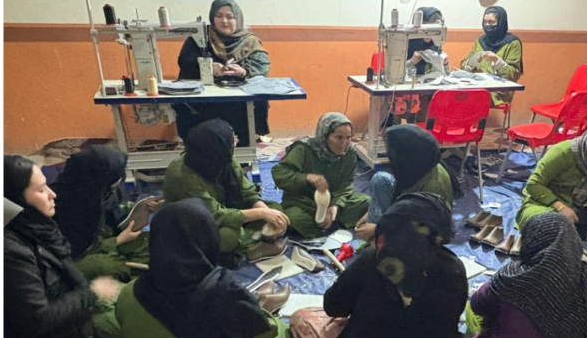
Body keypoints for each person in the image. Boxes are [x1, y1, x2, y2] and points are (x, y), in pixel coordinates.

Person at [116, 200, 295, 338]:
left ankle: (256, 308)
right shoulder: (223, 292)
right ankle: (262, 308)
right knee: (281, 334)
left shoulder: (130, 293)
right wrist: (260, 316)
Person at [306, 194, 469, 338]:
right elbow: (453, 316)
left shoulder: (372, 259)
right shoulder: (454, 268)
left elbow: (334, 307)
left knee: (304, 318)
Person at [3, 155, 123, 338]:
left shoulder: (32, 227)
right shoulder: (12, 252)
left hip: (68, 325)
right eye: (40, 190)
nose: (52, 194)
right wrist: (91, 294)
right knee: (134, 324)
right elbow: (36, 320)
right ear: (15, 200)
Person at [163, 119, 288, 264]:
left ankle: (251, 242)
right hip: (193, 224)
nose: (236, 139)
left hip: (226, 209)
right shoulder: (183, 175)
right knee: (229, 235)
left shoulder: (222, 158)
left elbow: (246, 191)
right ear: (214, 147)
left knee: (275, 209)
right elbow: (213, 215)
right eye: (231, 138)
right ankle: (249, 246)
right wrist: (261, 214)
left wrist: (266, 211)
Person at [517, 114, 587, 241]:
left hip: (580, 207)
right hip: (546, 204)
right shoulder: (564, 151)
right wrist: (560, 207)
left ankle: (574, 233)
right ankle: (584, 234)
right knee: (548, 221)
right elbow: (534, 184)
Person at [53, 145, 158, 281]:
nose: (119, 180)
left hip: (106, 237)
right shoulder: (66, 204)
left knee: (148, 242)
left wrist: (141, 208)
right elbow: (76, 247)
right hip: (76, 256)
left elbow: (116, 209)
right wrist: (118, 240)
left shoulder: (101, 189)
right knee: (112, 266)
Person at [176, 0, 272, 141]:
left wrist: (243, 71)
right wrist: (207, 68)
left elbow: (262, 65)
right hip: (205, 98)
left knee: (251, 106)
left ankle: (244, 147)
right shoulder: (199, 37)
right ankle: (199, 147)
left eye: (230, 17)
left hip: (238, 99)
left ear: (238, 19)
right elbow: (185, 62)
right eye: (219, 16)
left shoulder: (249, 40)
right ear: (212, 17)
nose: (224, 21)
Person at [272, 113, 369, 238]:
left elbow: (346, 183)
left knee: (366, 202)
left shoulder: (349, 153)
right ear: (325, 136)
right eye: (339, 137)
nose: (344, 143)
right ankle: (329, 224)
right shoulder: (304, 149)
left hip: (332, 198)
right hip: (302, 201)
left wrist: (334, 206)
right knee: (293, 218)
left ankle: (327, 220)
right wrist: (306, 178)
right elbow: (279, 174)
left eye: (348, 137)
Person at [355, 126, 454, 242]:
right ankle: (375, 240)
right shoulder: (418, 164)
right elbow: (401, 192)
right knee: (380, 180)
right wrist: (371, 211)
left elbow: (421, 230)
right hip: (408, 210)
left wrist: (378, 228)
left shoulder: (434, 187)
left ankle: (379, 243)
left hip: (421, 236)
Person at [461, 6, 523, 107]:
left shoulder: (512, 42)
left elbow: (514, 74)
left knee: (466, 99)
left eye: (491, 22)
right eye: (485, 22)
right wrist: (471, 63)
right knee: (455, 96)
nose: (487, 25)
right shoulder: (481, 41)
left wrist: (497, 61)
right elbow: (464, 65)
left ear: (501, 23)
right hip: (477, 86)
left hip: (498, 92)